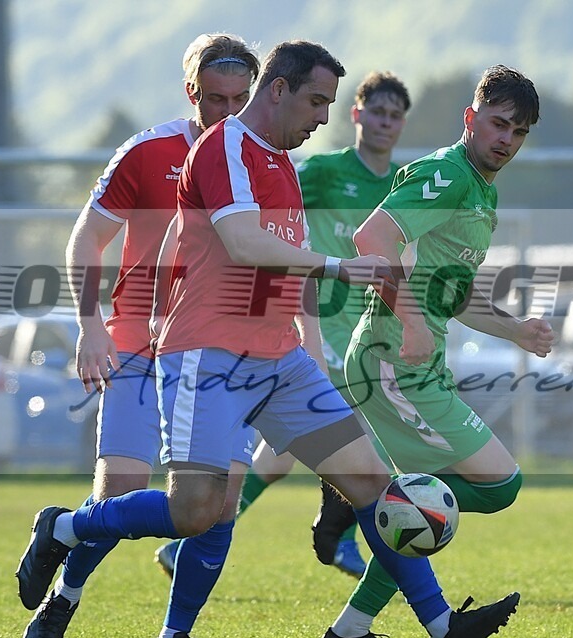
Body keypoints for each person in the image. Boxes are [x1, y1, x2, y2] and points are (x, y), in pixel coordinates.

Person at [15, 40, 521, 638]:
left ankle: (445, 629)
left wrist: (309, 334)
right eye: (316, 101)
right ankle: (64, 529)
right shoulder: (225, 145)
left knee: (373, 485)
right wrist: (339, 267)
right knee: (195, 511)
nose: (322, 118)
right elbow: (245, 242)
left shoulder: (282, 162)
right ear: (278, 90)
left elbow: (268, 260)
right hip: (209, 358)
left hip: (281, 362)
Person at [19, 33, 260, 638]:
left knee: (221, 501)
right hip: (139, 344)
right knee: (119, 491)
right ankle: (64, 596)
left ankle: (175, 637)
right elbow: (86, 239)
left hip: (222, 351)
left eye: (240, 100)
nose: (227, 113)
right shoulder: (148, 152)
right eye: (215, 99)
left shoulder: (264, 160)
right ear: (191, 92)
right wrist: (90, 324)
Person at [318, 65, 555, 638]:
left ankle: (351, 627)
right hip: (391, 360)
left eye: (519, 132)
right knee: (495, 486)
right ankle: (363, 508)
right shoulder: (447, 175)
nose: (506, 139)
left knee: (424, 502)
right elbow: (372, 239)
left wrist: (516, 331)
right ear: (470, 118)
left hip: (413, 364)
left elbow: (453, 293)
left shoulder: (481, 189)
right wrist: (413, 321)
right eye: (498, 124)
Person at [154, 70, 412, 580]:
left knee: (329, 446)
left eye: (395, 116)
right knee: (312, 446)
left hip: (361, 325)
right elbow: (263, 235)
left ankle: (333, 532)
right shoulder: (318, 170)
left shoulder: (400, 183)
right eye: (377, 112)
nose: (385, 123)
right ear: (356, 115)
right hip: (314, 320)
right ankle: (332, 533)